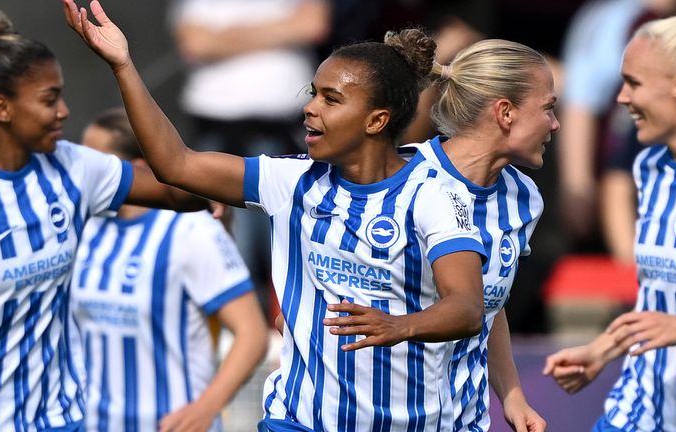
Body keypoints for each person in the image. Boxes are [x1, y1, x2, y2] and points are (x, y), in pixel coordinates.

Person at [63, 1, 488, 431]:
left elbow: (467, 308)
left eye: (331, 99)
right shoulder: (289, 179)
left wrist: (398, 325)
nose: (310, 108)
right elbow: (177, 165)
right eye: (313, 93)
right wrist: (123, 66)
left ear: (376, 120)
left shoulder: (435, 194)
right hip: (296, 421)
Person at [0, 1, 207, 430]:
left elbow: (183, 188)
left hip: (63, 420)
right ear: (1, 108)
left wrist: (123, 68)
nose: (64, 112)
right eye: (49, 99)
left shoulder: (74, 167)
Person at [544, 9, 676, 430]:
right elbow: (657, 299)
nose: (622, 99)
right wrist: (604, 349)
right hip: (641, 408)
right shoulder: (649, 167)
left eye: (634, 84)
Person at [72, 108, 268, 431]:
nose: (82, 172)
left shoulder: (190, 229)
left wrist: (207, 407)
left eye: (96, 162)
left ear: (136, 168)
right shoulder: (87, 228)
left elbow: (252, 335)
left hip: (170, 424)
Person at [399, 39, 557, 432]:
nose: (555, 125)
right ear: (505, 112)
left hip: (463, 421)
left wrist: (513, 397)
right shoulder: (401, 178)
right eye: (548, 109)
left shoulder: (524, 198)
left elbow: (489, 303)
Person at [169, 0, 332, 318]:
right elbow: (196, 42)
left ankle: (288, 326)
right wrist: (281, 30)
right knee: (226, 235)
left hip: (286, 129)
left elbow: (313, 26)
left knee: (290, 231)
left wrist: (228, 37)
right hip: (218, 130)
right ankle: (240, 331)